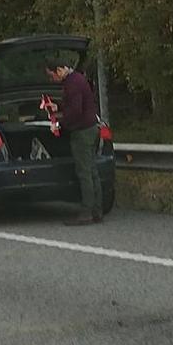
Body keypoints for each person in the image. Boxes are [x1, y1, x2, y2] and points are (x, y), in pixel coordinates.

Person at [43, 58, 102, 226]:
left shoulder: (72, 84)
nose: (51, 79)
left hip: (82, 132)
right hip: (91, 128)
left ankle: (86, 212)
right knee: (92, 170)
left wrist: (59, 123)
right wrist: (58, 107)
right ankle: (97, 210)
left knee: (84, 172)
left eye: (51, 75)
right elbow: (73, 104)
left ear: (60, 69)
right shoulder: (77, 79)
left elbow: (76, 110)